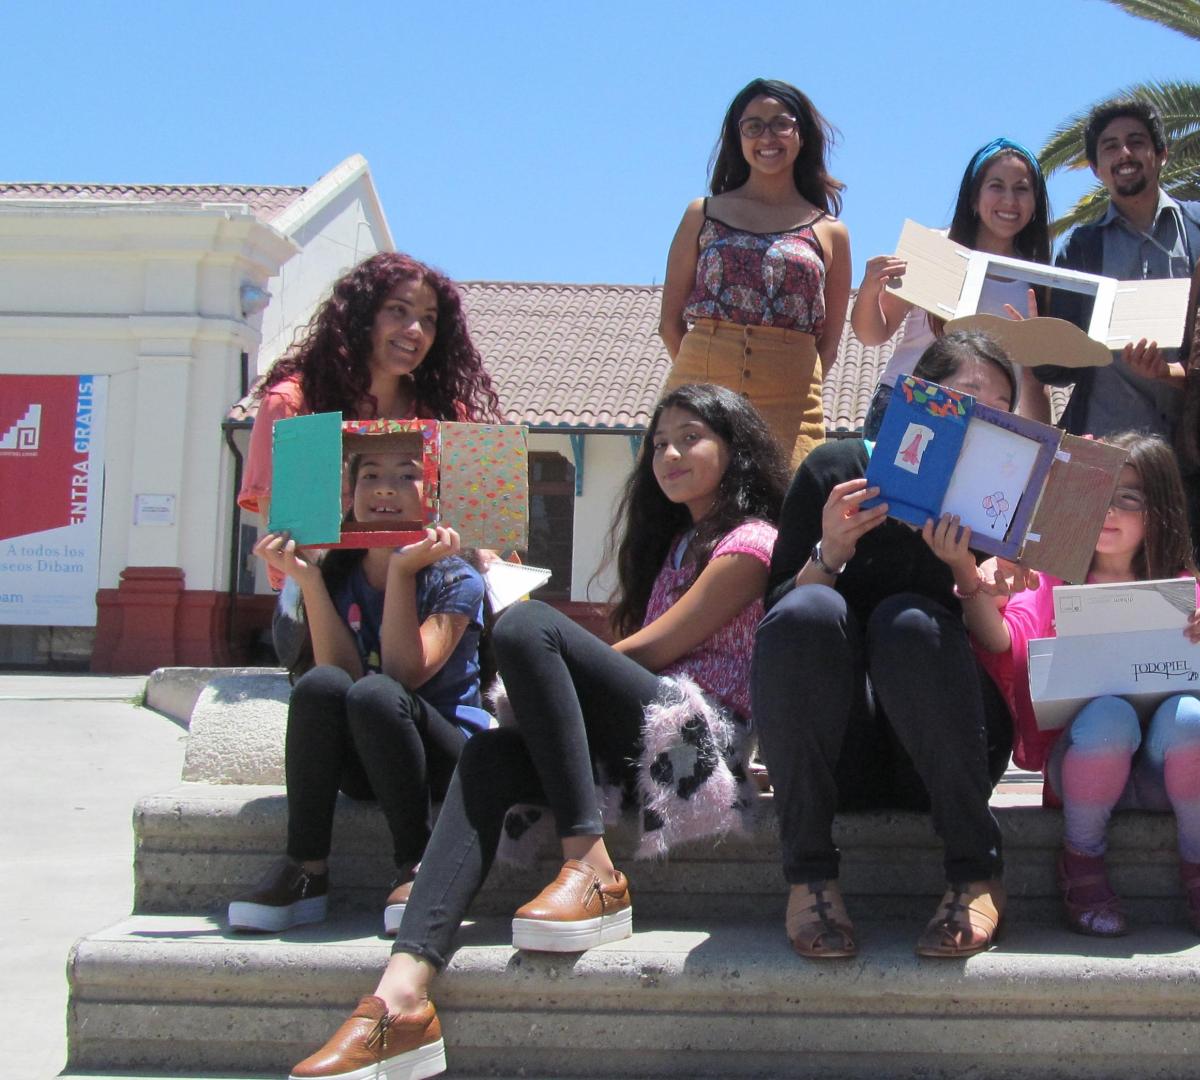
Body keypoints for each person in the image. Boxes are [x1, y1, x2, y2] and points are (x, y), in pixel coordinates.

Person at [285, 384, 786, 1080]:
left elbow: (655, 652)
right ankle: (400, 1000)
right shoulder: (671, 545)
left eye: (690, 437)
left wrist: (544, 655)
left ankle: (592, 866)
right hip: (648, 738)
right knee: (489, 754)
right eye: (659, 441)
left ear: (735, 450)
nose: (669, 453)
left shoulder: (753, 542)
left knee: (525, 625)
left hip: (701, 745)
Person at [752, 332, 1018, 961]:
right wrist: (831, 551)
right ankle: (810, 877)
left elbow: (996, 642)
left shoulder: (992, 499)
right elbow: (779, 623)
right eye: (967, 396)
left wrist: (964, 572)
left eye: (1000, 404)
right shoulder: (836, 468)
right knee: (810, 608)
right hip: (841, 749)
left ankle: (976, 871)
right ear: (917, 398)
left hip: (948, 743)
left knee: (909, 622)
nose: (983, 414)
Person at [960, 434, 1200, 939]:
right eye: (1097, 495)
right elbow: (1006, 646)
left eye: (1128, 497)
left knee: (1191, 719)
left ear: (1159, 508)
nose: (1108, 511)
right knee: (1110, 716)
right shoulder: (1050, 582)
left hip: (1166, 769)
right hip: (1084, 761)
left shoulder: (1187, 590)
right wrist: (978, 589)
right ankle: (1081, 860)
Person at [229, 453, 489, 937]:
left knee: (376, 695)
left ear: (432, 493)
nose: (385, 489)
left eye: (406, 475)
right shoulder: (337, 574)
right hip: (369, 755)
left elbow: (400, 674)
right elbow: (339, 674)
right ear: (349, 496)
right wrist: (307, 579)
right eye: (370, 476)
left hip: (442, 759)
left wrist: (401, 572)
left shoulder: (457, 578)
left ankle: (415, 862)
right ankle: (306, 868)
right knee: (320, 685)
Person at [239, 252, 501, 659]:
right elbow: (288, 537)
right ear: (361, 316)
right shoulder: (294, 404)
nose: (414, 330)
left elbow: (484, 531)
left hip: (431, 599)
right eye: (398, 310)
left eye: (429, 319)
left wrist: (480, 547)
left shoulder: (447, 415)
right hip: (322, 602)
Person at [1041, 99, 1200, 584]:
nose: (1123, 153)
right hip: (1102, 457)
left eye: (1136, 142)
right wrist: (1036, 336)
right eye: (1110, 146)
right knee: (1090, 594)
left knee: (1196, 593)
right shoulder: (1080, 247)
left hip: (1187, 453)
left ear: (1161, 154)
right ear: (1095, 166)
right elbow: (1057, 368)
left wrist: (1171, 372)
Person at [661, 78, 852, 471]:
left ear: (802, 134)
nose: (768, 137)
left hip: (792, 401)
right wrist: (708, 374)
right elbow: (670, 323)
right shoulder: (702, 213)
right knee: (685, 517)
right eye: (753, 126)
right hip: (701, 390)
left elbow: (829, 346)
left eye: (781, 124)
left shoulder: (830, 231)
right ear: (738, 137)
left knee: (788, 520)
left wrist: (781, 369)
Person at [851, 137, 1051, 435]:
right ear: (973, 197)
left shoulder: (1039, 280)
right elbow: (873, 333)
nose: (1009, 200)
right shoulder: (934, 250)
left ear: (1036, 203)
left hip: (987, 424)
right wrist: (870, 290)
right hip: (909, 403)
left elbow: (1036, 380)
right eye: (996, 186)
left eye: (1021, 189)